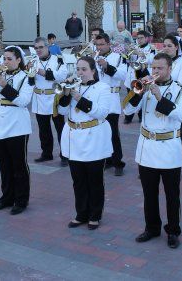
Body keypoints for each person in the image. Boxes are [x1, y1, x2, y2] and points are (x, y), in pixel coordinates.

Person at [125, 53, 182, 249]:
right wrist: (137, 93)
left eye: (159, 68)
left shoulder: (180, 90)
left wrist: (159, 96)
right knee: (149, 193)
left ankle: (173, 230)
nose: (155, 72)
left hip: (169, 147)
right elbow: (127, 110)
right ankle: (152, 227)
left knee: (172, 194)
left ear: (169, 69)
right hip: (147, 146)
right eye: (153, 68)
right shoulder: (144, 87)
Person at [58, 56, 112, 230]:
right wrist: (66, 95)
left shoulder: (103, 88)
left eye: (84, 69)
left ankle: (95, 214)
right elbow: (61, 111)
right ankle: (81, 213)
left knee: (94, 180)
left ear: (93, 71)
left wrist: (79, 98)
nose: (80, 73)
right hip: (74, 137)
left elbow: (102, 112)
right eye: (78, 69)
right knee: (78, 180)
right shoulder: (73, 86)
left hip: (94, 137)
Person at [0, 46, 33, 215]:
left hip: (17, 126)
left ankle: (21, 200)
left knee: (19, 165)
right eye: (4, 58)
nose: (5, 62)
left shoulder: (26, 77)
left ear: (19, 60)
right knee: (4, 165)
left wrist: (4, 85)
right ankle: (6, 197)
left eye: (9, 58)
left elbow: (24, 101)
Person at [29, 37, 68, 165]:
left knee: (60, 128)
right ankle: (46, 153)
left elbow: (62, 75)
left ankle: (65, 155)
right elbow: (30, 82)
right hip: (39, 98)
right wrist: (29, 73)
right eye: (36, 48)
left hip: (54, 98)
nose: (38, 50)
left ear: (47, 47)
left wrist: (42, 72)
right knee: (43, 129)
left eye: (41, 47)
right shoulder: (33, 61)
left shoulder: (58, 60)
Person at [94, 33, 127, 176]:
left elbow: (122, 76)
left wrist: (107, 66)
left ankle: (118, 162)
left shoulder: (118, 57)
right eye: (97, 45)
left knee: (113, 133)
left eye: (102, 44)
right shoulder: (93, 58)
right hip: (97, 98)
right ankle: (106, 160)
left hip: (111, 98)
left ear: (109, 44)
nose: (99, 47)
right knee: (100, 132)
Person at [123, 30, 155, 125]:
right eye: (138, 38)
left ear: (146, 38)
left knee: (142, 97)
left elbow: (151, 60)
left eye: (141, 38)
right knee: (131, 97)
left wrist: (140, 54)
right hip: (131, 76)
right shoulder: (135, 47)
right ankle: (128, 117)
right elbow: (128, 61)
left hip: (143, 76)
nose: (139, 40)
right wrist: (127, 53)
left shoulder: (151, 48)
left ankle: (142, 116)